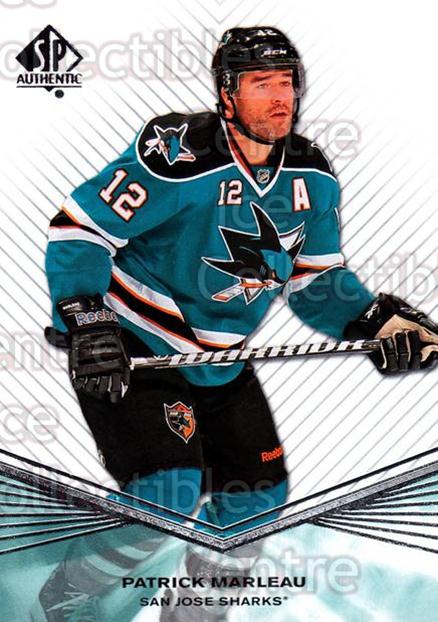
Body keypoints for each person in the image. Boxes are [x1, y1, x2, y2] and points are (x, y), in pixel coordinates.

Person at [40, 26, 438, 622]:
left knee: (258, 503)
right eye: (261, 83)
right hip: (133, 340)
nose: (280, 98)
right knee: (167, 494)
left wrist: (375, 321)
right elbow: (81, 230)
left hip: (220, 358)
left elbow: (314, 281)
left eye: (287, 83)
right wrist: (86, 318)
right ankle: (67, 593)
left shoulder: (312, 175)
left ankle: (196, 611)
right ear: (226, 94)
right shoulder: (177, 154)